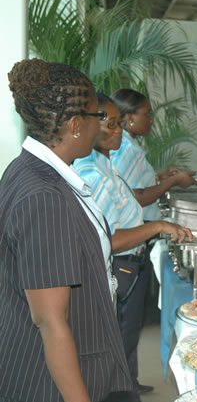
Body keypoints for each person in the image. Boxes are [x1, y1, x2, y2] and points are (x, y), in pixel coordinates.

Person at [0, 59, 133, 401]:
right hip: (51, 382)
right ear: (76, 125)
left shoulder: (33, 171)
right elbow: (50, 321)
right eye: (96, 117)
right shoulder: (44, 196)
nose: (100, 127)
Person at [74, 94, 194, 397]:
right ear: (88, 127)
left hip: (130, 260)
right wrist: (157, 226)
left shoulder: (105, 162)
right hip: (120, 263)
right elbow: (108, 239)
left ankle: (125, 385)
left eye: (119, 124)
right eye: (112, 125)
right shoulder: (92, 173)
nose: (119, 132)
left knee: (124, 336)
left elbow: (126, 198)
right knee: (118, 340)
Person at [109, 88, 197, 223]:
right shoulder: (128, 149)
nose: (151, 120)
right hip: (138, 224)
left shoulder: (123, 143)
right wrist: (173, 181)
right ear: (130, 118)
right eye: (147, 114)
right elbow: (135, 198)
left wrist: (158, 178)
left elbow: (125, 183)